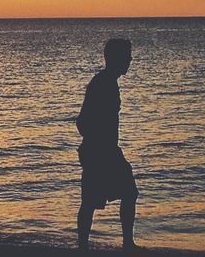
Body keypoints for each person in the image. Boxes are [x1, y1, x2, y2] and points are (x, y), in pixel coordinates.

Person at [76, 38, 142, 251]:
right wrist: (98, 145)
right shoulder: (103, 83)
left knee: (97, 199)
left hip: (105, 151)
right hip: (101, 151)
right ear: (117, 58)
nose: (130, 60)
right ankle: (121, 245)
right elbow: (83, 121)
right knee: (112, 196)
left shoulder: (107, 82)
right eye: (127, 56)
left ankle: (88, 247)